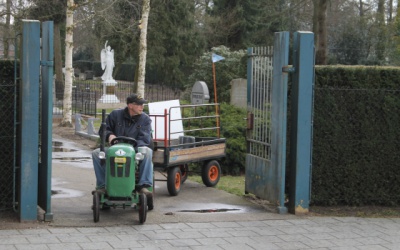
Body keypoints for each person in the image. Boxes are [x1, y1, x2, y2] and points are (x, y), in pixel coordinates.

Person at [92, 94, 153, 201]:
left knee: (147, 152)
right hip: (115, 149)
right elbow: (103, 130)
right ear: (130, 105)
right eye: (139, 104)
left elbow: (144, 139)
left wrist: (131, 150)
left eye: (142, 104)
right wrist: (109, 135)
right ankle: (103, 186)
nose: (142, 107)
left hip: (135, 150)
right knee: (96, 153)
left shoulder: (145, 119)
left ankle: (144, 185)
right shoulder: (115, 114)